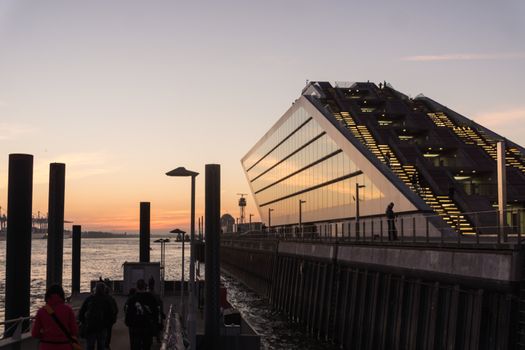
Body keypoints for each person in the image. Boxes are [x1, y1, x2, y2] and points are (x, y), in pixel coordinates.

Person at [32, 284, 79, 350]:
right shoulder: (68, 310)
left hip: (46, 346)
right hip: (64, 345)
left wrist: (46, 336)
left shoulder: (41, 311)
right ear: (62, 295)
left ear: (47, 296)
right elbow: (74, 331)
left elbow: (35, 333)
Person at [125, 279, 159, 350]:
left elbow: (128, 314)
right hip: (147, 327)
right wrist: (155, 325)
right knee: (146, 346)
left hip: (135, 327)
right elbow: (156, 313)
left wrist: (129, 323)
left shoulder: (132, 299)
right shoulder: (151, 298)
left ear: (137, 287)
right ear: (145, 286)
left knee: (135, 346)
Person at [78, 282, 114, 350]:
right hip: (102, 327)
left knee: (90, 346)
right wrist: (108, 325)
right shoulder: (107, 300)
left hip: (91, 326)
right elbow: (112, 314)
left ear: (95, 289)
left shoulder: (89, 299)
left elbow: (81, 312)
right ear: (104, 290)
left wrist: (84, 322)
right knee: (101, 346)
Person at [148, 277, 165, 343]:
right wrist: (161, 313)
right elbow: (159, 304)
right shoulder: (155, 295)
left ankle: (151, 339)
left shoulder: (148, 294)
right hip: (155, 314)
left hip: (150, 314)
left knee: (151, 327)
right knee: (157, 325)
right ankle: (157, 338)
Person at [104, 284, 119, 350]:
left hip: (102, 319)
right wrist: (114, 317)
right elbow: (116, 309)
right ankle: (107, 345)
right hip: (110, 319)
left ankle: (102, 344)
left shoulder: (100, 298)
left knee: (102, 332)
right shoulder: (112, 299)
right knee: (109, 332)